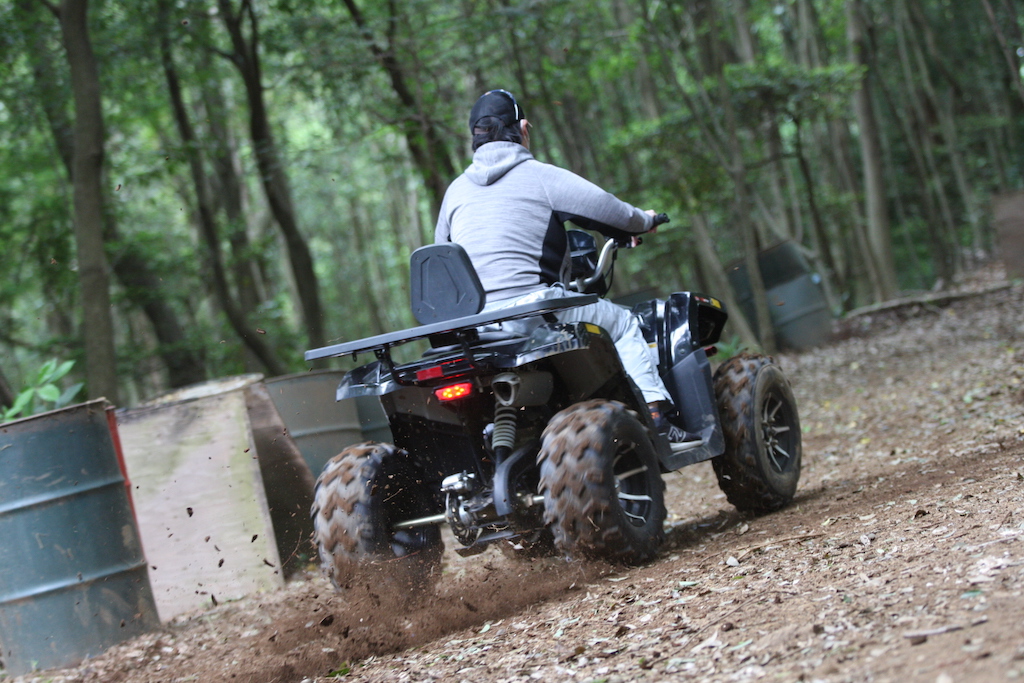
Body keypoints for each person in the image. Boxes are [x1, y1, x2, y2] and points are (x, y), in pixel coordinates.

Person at [434, 89, 699, 446]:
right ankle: (657, 419)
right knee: (622, 323)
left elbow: (442, 255)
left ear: (475, 137)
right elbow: (610, 210)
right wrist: (644, 220)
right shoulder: (540, 176)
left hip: (474, 327)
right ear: (523, 129)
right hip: (532, 311)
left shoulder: (454, 193)